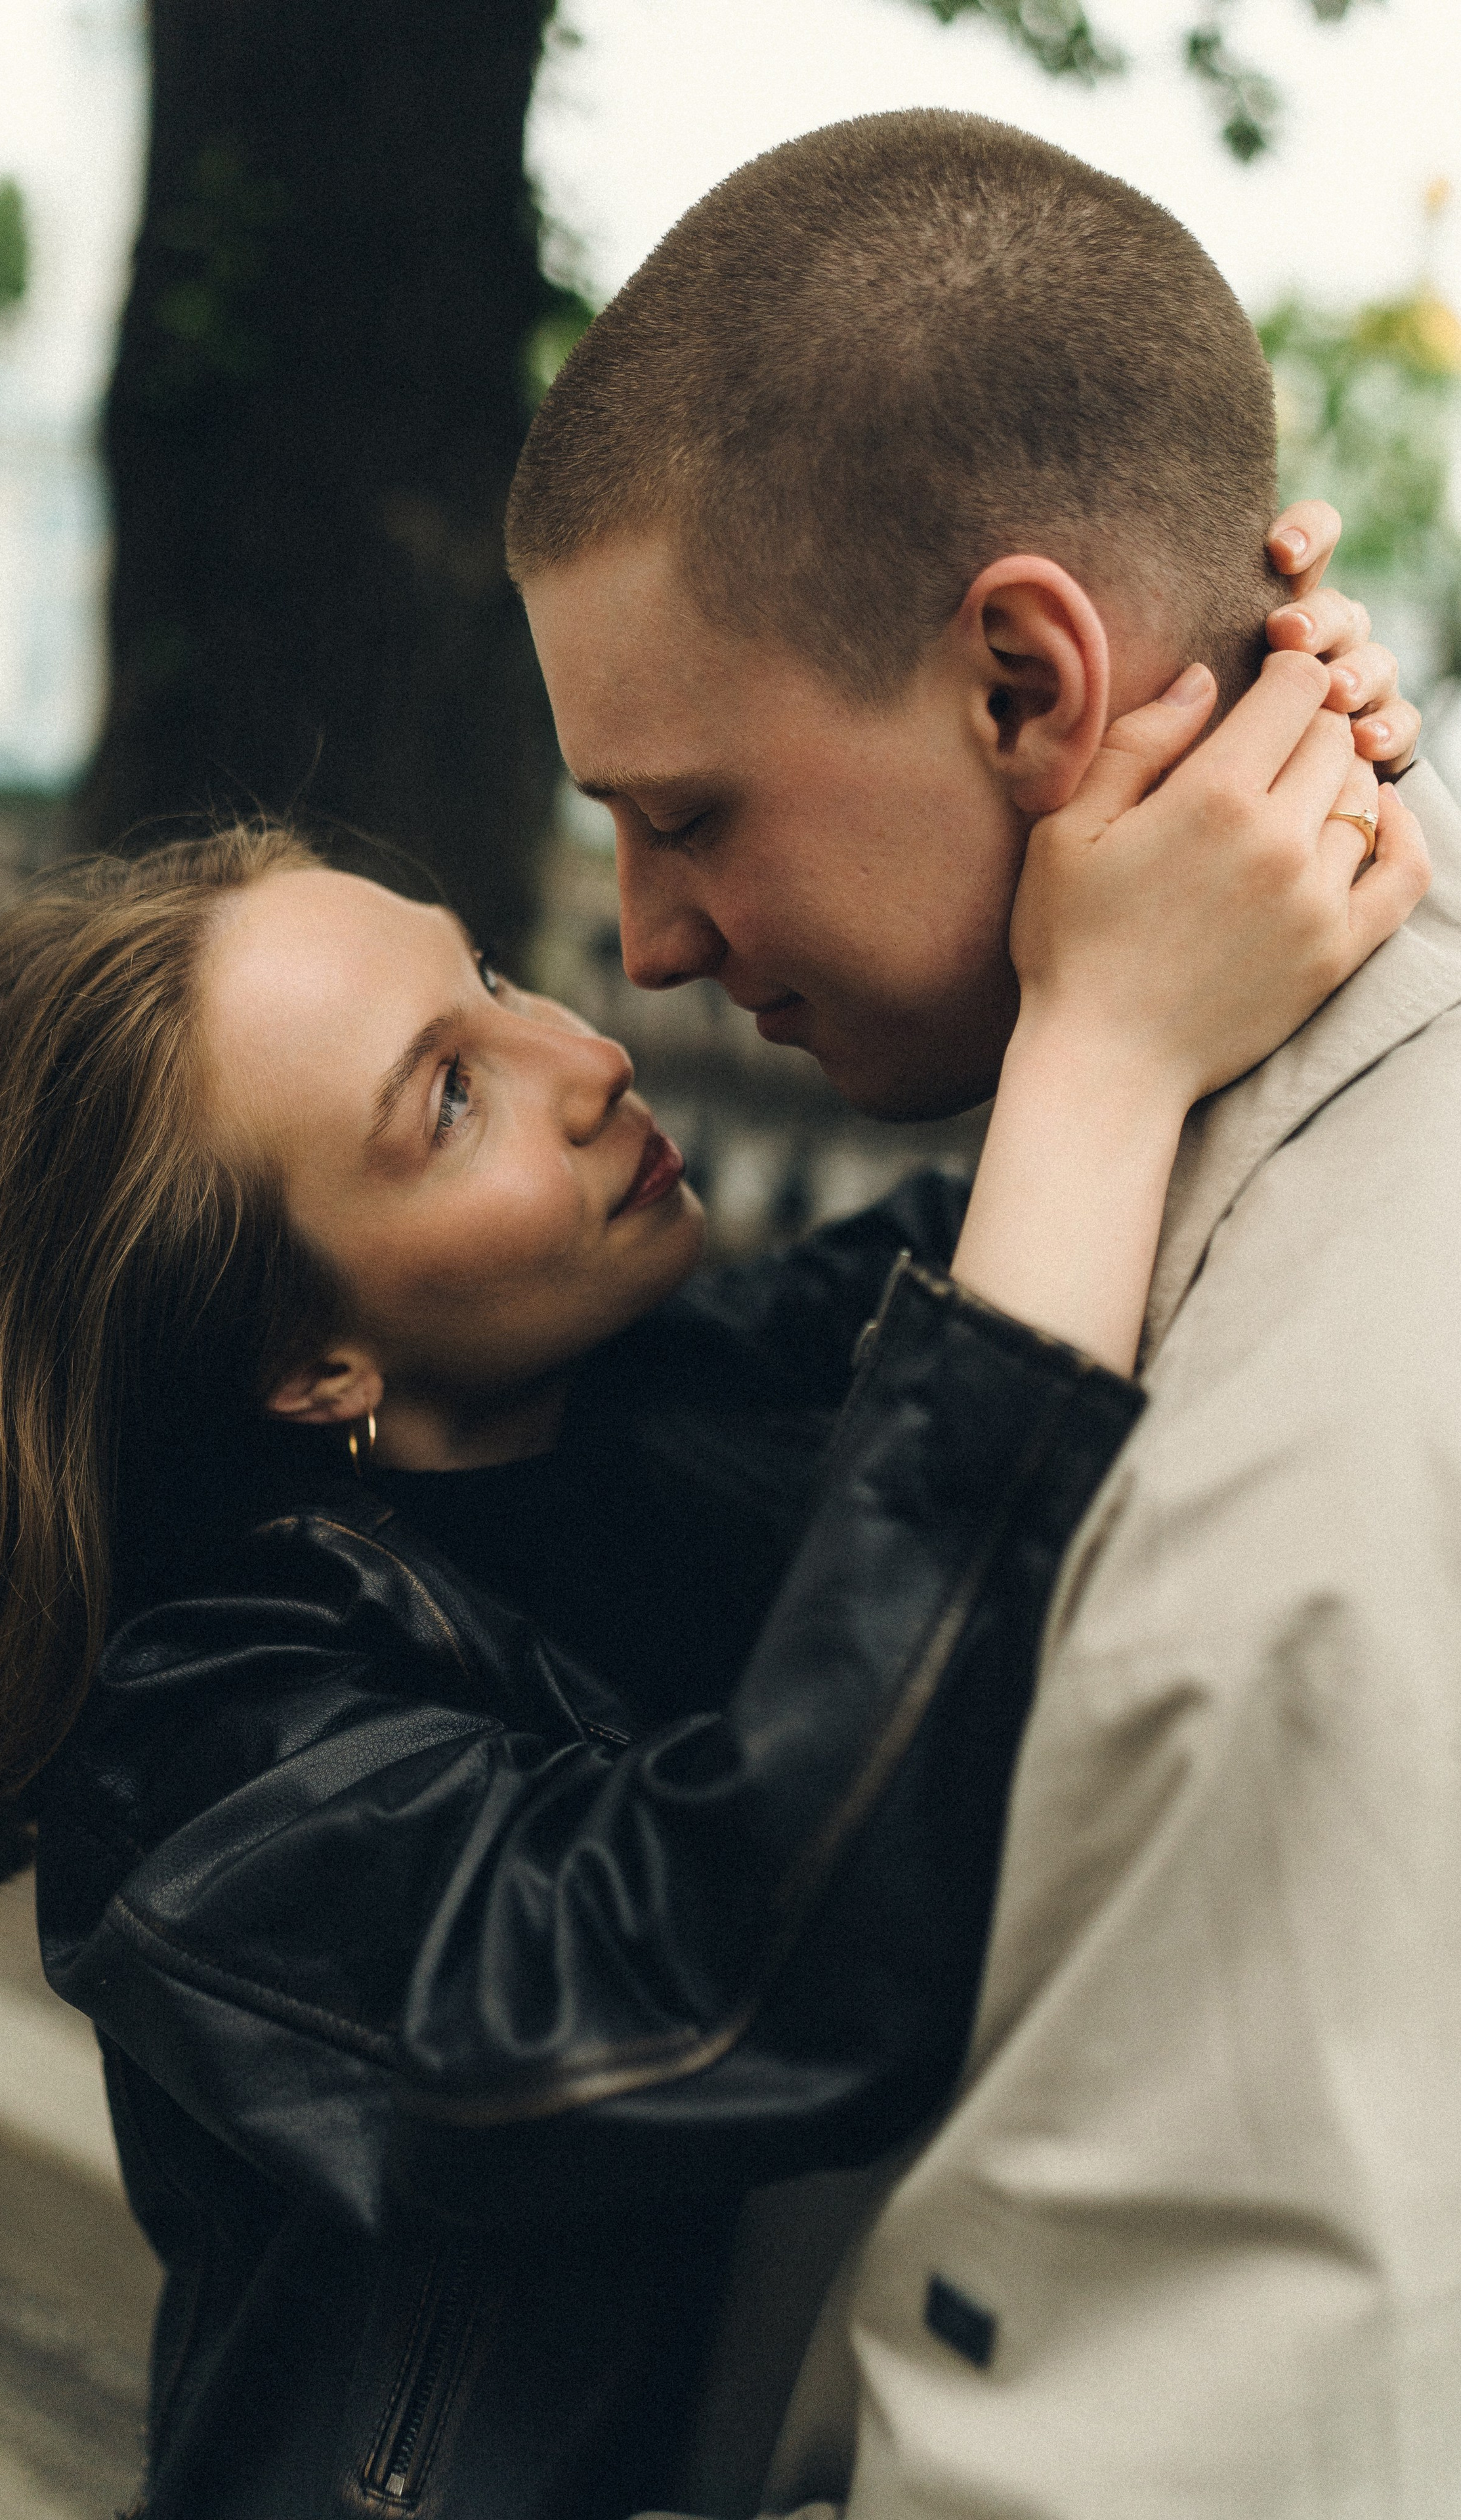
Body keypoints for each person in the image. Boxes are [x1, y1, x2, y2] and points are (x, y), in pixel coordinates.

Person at [0, 521, 1412, 2518]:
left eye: (482, 975)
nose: (581, 1044)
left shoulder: (677, 1390)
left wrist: (1244, 741)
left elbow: (1025, 1285)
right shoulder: (199, 1783)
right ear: (307, 1365)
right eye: (444, 1098)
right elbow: (716, 1975)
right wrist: (1103, 1045)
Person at [505, 111, 1461, 2517]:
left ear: (1031, 687)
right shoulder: (1158, 1202)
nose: (643, 945)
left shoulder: (1297, 1495)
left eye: (693, 811)